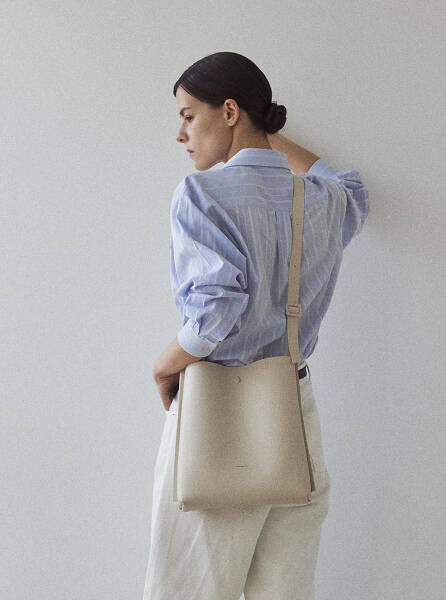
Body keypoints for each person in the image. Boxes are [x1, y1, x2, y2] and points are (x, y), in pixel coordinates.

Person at [143, 52, 370, 600]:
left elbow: (217, 309)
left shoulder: (201, 194)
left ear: (228, 111)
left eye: (188, 116)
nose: (180, 134)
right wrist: (263, 131)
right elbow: (354, 189)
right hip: (294, 416)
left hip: (216, 415)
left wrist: (164, 364)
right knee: (285, 590)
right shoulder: (322, 200)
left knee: (187, 590)